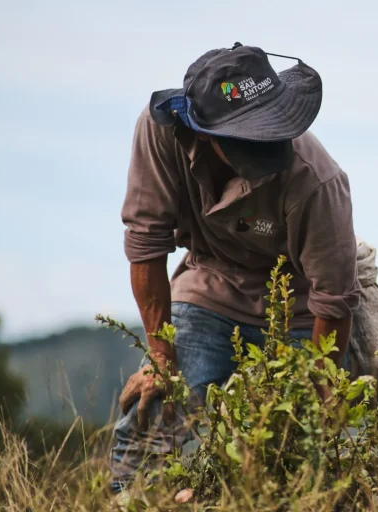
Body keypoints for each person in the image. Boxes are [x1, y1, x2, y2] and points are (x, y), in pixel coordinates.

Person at [108, 42, 361, 495]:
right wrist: (161, 357)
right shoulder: (159, 133)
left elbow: (334, 297)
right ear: (204, 132)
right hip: (211, 281)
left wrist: (323, 386)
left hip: (299, 308)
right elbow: (146, 243)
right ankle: (129, 499)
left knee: (291, 449)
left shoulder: (318, 181)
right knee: (153, 413)